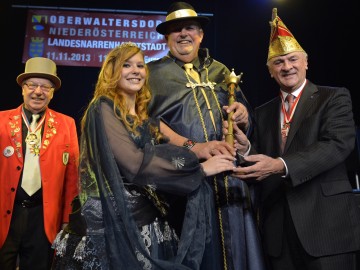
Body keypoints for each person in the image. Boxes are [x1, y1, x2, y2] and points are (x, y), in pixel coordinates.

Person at [51, 42, 238, 270]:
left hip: (148, 222)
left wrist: (206, 147)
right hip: (112, 227)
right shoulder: (102, 108)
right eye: (126, 65)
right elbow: (134, 164)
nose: (136, 71)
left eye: (140, 65)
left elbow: (184, 144)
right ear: (112, 71)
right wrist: (201, 170)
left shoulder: (144, 118)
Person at [231, 8, 360, 270]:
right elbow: (262, 158)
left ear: (306, 62)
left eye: (292, 59)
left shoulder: (333, 98)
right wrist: (246, 149)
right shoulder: (262, 111)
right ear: (270, 71)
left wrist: (281, 165)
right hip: (278, 233)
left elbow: (337, 145)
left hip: (327, 229)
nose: (287, 67)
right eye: (278, 62)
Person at [147, 2, 266, 270]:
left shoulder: (223, 72)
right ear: (166, 38)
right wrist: (193, 148)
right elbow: (145, 127)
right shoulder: (151, 75)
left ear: (200, 34)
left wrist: (244, 117)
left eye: (190, 27)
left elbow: (248, 125)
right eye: (175, 30)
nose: (183, 34)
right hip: (183, 185)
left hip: (231, 183)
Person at [0, 57, 80, 269]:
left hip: (43, 217)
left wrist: (66, 219)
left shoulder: (66, 124)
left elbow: (72, 177)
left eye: (45, 87)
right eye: (32, 85)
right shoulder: (1, 121)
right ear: (22, 89)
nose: (38, 92)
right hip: (5, 213)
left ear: (52, 92)